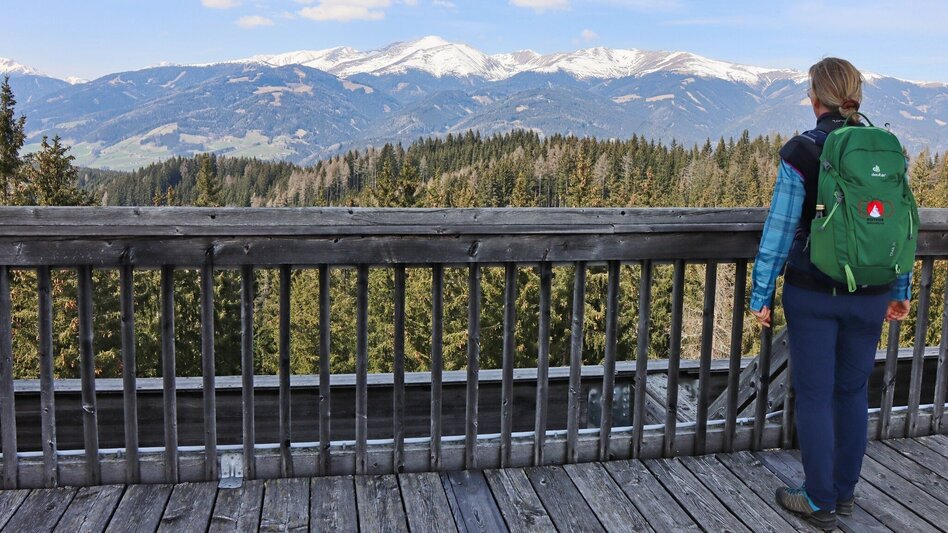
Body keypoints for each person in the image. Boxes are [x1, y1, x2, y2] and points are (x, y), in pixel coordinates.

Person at [749, 57, 912, 531]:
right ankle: (843, 495)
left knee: (816, 396)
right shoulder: (886, 150)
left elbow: (779, 230)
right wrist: (897, 287)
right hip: (870, 292)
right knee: (852, 393)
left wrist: (760, 292)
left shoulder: (801, 150)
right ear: (855, 95)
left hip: (813, 291)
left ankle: (818, 501)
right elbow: (899, 225)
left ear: (813, 97)